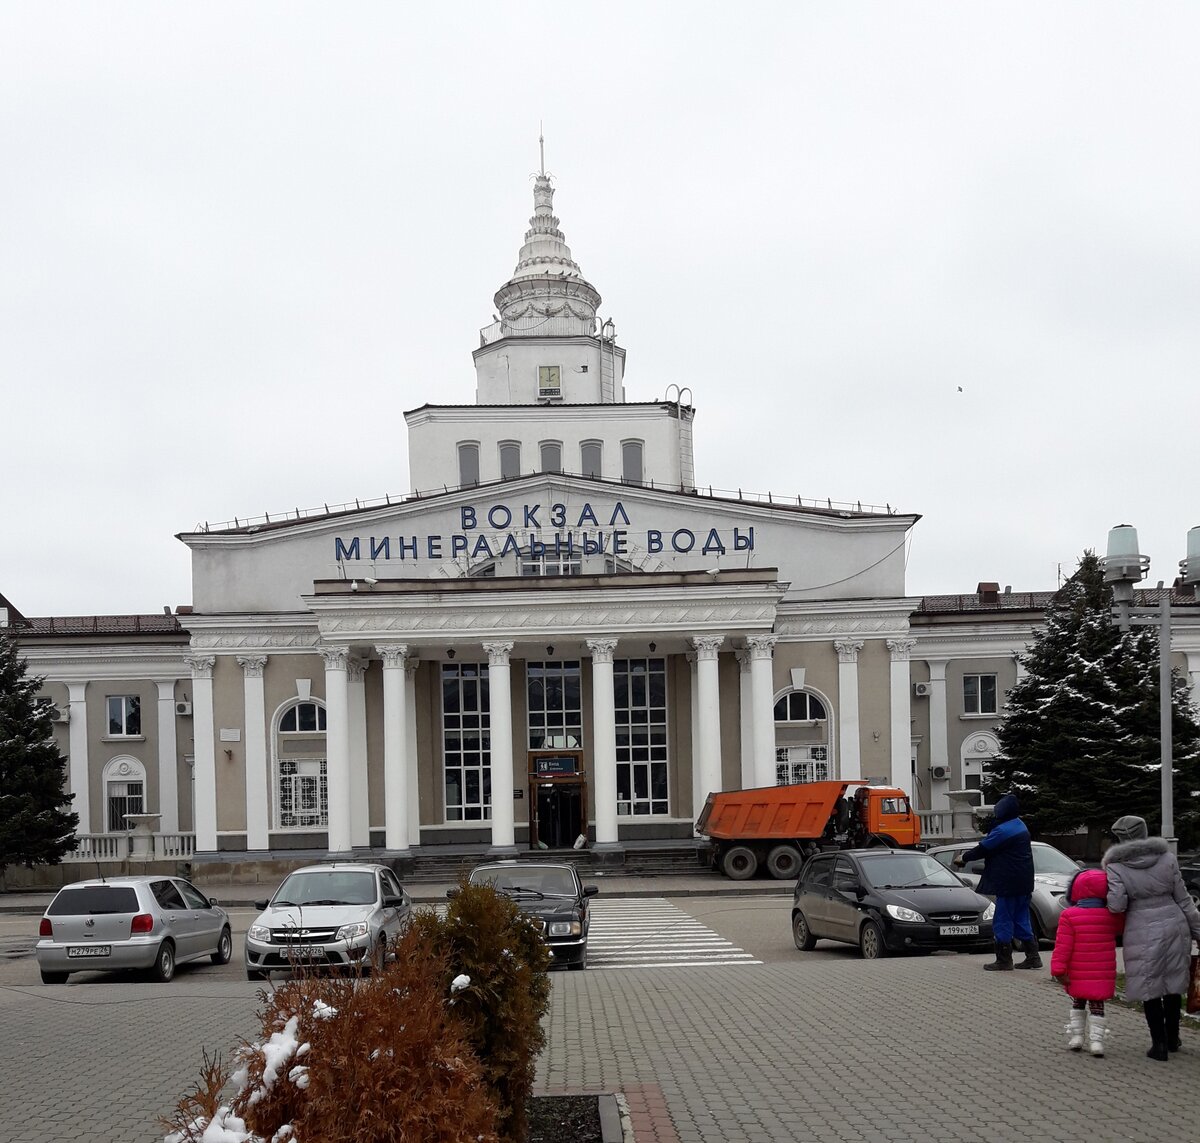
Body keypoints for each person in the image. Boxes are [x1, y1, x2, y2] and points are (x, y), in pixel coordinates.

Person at [1103, 814, 1200, 1061]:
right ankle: (1173, 1038)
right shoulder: (1167, 858)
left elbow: (1116, 905)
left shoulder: (1116, 866)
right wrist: (1198, 931)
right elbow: (1184, 898)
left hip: (1141, 927)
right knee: (1173, 982)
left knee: (1149, 986)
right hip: (1175, 923)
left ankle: (1158, 1045)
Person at [953, 792, 1039, 970]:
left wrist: (964, 858)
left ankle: (1004, 960)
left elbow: (983, 849)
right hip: (1024, 882)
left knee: (1003, 919)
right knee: (1021, 918)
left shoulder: (1003, 830)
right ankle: (1033, 956)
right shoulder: (1020, 825)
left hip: (1008, 882)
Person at [1049, 868, 1124, 1056]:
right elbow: (1123, 927)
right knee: (1098, 1005)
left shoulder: (1069, 915)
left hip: (1077, 970)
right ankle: (1097, 1041)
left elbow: (1062, 947)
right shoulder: (1112, 916)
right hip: (1102, 971)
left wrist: (1058, 970)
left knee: (1078, 1003)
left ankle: (1077, 1037)